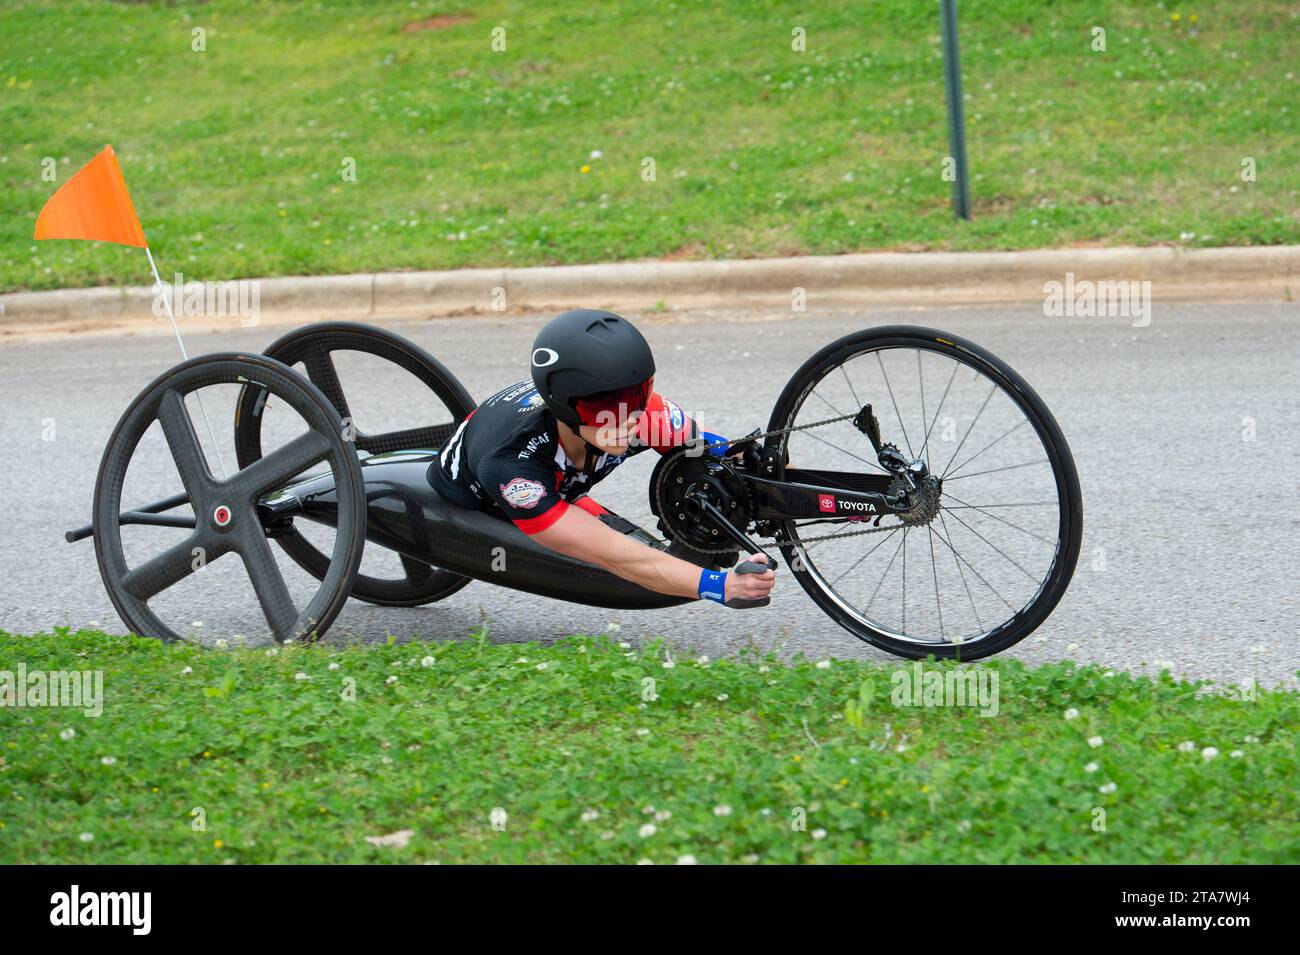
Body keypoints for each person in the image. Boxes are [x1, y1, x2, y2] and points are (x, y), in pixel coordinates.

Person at [428, 309, 776, 607]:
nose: (628, 417)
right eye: (606, 406)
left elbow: (734, 453)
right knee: (620, 555)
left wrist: (775, 471)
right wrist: (722, 588)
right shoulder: (515, 471)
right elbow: (616, 556)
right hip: (480, 497)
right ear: (567, 405)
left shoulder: (642, 416)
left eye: (639, 394)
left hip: (563, 481)